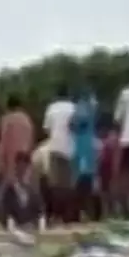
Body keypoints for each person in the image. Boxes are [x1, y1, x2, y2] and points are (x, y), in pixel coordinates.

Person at [0, 94, 35, 227]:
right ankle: (27, 218)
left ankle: (5, 219)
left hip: (12, 157)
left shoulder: (7, 119)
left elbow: (4, 142)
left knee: (4, 191)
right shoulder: (27, 119)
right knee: (23, 188)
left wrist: (1, 161)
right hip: (25, 156)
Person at [41, 86, 76, 216]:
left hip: (55, 147)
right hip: (70, 149)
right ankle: (69, 213)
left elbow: (46, 128)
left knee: (55, 183)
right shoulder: (73, 108)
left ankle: (57, 213)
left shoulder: (51, 108)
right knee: (68, 183)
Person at [70, 87, 101, 222]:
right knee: (88, 183)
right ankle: (90, 214)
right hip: (86, 151)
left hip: (83, 151)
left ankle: (82, 213)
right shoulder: (89, 108)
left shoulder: (82, 108)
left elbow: (74, 123)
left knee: (82, 183)